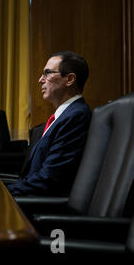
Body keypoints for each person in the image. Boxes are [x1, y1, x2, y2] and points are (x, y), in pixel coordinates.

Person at [7, 51, 92, 196]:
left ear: (70, 79)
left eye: (47, 73)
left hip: (38, 207)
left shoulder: (76, 117)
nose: (40, 79)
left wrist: (2, 193)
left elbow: (48, 179)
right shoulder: (64, 116)